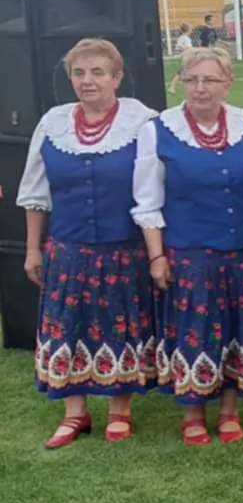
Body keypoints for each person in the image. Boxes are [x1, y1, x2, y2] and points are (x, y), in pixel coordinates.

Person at [17, 38, 157, 447]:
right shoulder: (53, 123)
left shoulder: (142, 121)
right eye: (78, 73)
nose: (87, 80)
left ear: (117, 77)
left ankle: (119, 410)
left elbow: (155, 189)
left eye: (97, 72)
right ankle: (74, 413)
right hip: (68, 248)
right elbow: (36, 192)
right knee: (66, 326)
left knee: (120, 326)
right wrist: (32, 248)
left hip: (123, 248)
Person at [132, 44, 243, 444]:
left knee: (235, 331)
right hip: (189, 252)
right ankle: (193, 412)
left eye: (210, 79)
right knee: (194, 331)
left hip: (241, 251)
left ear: (228, 84)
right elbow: (148, 200)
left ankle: (229, 410)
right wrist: (156, 256)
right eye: (191, 79)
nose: (200, 88)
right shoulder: (158, 130)